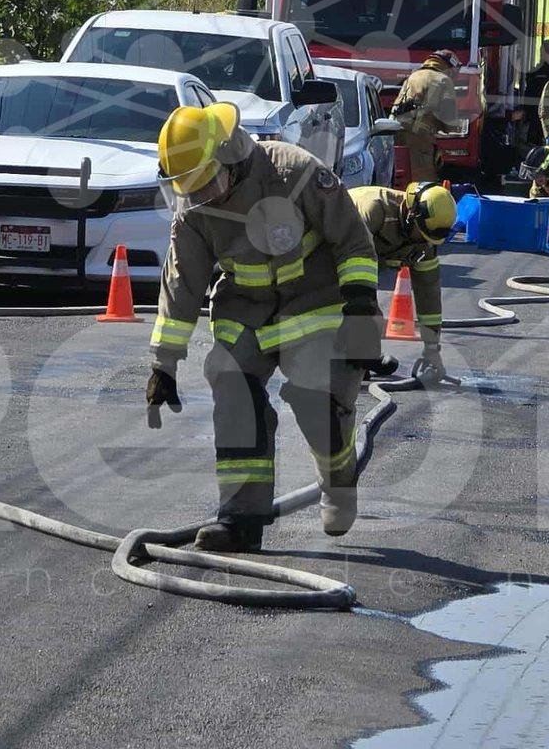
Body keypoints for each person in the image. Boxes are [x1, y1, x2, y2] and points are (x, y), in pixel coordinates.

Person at [147, 102, 383, 552]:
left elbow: (353, 239)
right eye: (191, 189)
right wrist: (163, 365)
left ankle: (337, 479)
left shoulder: (292, 172)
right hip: (248, 314)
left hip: (317, 303)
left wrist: (358, 306)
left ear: (230, 156)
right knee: (232, 385)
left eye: (207, 182)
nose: (204, 197)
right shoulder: (194, 209)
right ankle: (240, 520)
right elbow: (182, 285)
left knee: (320, 403)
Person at [351, 182, 457, 383]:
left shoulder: (427, 240)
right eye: (422, 234)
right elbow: (355, 280)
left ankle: (360, 358)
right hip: (328, 248)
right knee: (358, 310)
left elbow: (429, 295)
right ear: (410, 215)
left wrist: (432, 350)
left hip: (365, 259)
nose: (424, 243)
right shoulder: (375, 211)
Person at [393, 49, 461, 185]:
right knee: (423, 183)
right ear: (449, 66)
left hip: (397, 134)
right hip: (420, 139)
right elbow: (449, 122)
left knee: (400, 177)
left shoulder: (413, 76)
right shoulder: (444, 80)